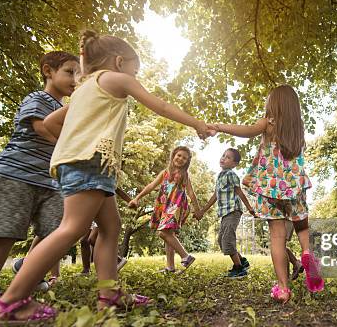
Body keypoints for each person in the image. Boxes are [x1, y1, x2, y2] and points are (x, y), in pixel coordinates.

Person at [0, 30, 211, 327]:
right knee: (72, 228)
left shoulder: (82, 90)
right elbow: (161, 106)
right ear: (120, 61)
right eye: (135, 69)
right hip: (90, 163)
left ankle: (110, 294)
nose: (134, 75)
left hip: (84, 163)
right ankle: (11, 302)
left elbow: (52, 122)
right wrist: (197, 123)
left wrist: (71, 145)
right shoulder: (115, 78)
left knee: (110, 226)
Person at [0, 51, 79, 310]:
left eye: (79, 74)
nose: (76, 79)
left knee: (58, 230)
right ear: (48, 71)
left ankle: (28, 268)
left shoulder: (64, 109)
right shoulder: (38, 99)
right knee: (5, 230)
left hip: (50, 181)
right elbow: (43, 128)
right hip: (15, 174)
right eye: (70, 72)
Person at [210, 85, 324, 303]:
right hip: (294, 187)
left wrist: (220, 127)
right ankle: (307, 253)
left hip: (270, 189)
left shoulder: (268, 123)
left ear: (273, 104)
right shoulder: (297, 129)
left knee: (277, 237)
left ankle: (283, 288)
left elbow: (247, 131)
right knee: (302, 225)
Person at [129, 147, 200, 273]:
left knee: (163, 232)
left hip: (175, 205)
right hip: (165, 205)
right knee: (168, 235)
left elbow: (191, 192)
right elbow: (151, 185)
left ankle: (186, 256)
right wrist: (137, 198)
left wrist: (198, 209)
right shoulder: (165, 172)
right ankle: (170, 267)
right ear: (173, 156)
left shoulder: (184, 174)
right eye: (179, 155)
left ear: (187, 162)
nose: (181, 159)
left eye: (184, 158)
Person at [195, 148, 255, 278]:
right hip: (225, 213)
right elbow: (215, 195)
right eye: (223, 155)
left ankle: (239, 269)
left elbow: (239, 192)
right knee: (221, 240)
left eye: (228, 157)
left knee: (227, 239)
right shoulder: (220, 176)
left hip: (233, 210)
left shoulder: (231, 174)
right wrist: (202, 211)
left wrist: (250, 208)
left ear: (234, 164)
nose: (223, 158)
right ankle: (242, 261)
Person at [80, 188, 131, 275]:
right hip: (88, 209)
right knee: (84, 240)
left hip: (100, 210)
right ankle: (86, 270)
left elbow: (116, 187)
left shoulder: (102, 177)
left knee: (91, 239)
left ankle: (118, 259)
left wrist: (131, 200)